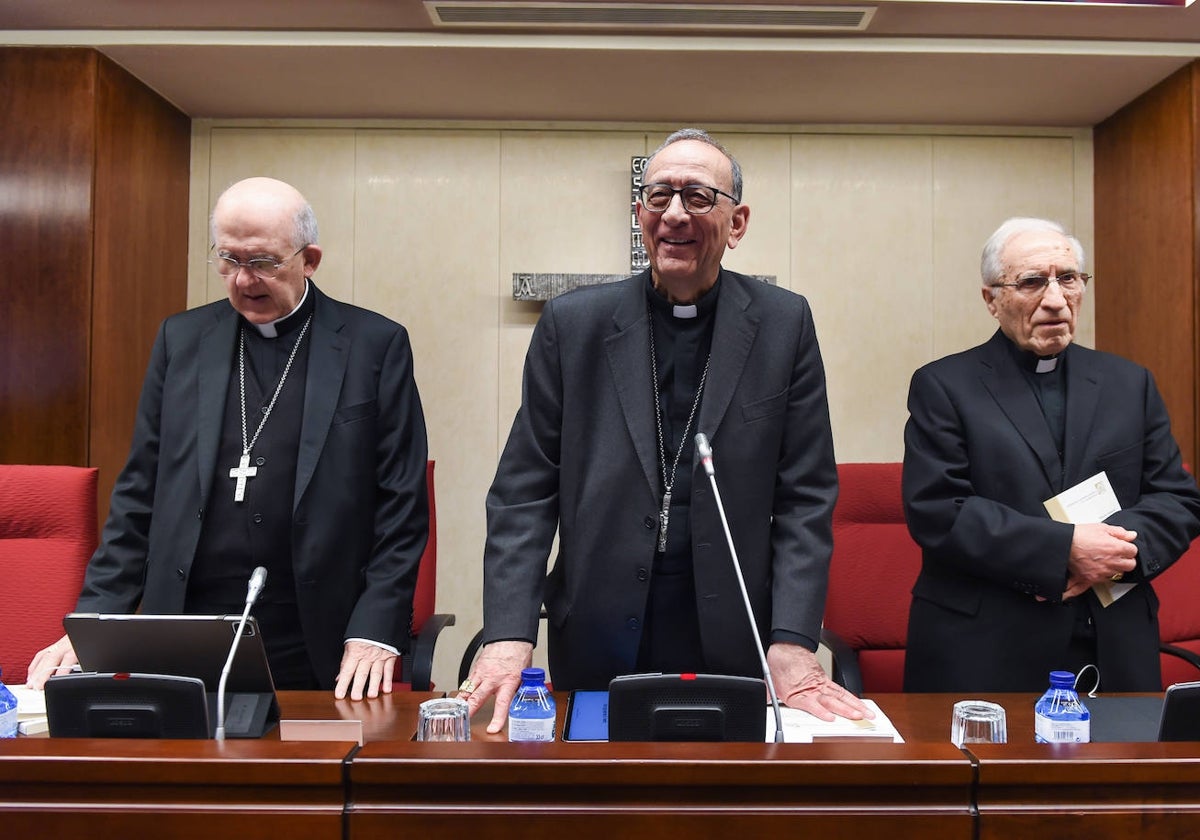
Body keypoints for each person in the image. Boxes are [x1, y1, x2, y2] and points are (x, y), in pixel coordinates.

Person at [460, 128, 870, 733]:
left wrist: (790, 638)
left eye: (698, 197)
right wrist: (508, 633)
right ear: (640, 215)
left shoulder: (784, 325)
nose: (674, 213)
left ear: (737, 223)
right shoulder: (574, 325)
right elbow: (524, 491)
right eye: (659, 197)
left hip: (732, 627)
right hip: (598, 624)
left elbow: (806, 495)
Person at [26, 177, 429, 700]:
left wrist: (374, 628)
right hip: (186, 622)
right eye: (229, 260)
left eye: (262, 262)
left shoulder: (374, 345)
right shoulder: (181, 340)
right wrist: (91, 623)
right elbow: (140, 493)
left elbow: (401, 504)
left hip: (317, 631)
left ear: (309, 259)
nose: (243, 280)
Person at [902, 216, 1200, 692]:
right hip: (988, 647)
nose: (1056, 299)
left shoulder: (1129, 383)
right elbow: (939, 511)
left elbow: (1178, 500)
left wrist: (1114, 553)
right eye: (1032, 282)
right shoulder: (945, 386)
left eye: (1069, 279)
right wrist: (1065, 550)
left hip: (1113, 641)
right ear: (991, 299)